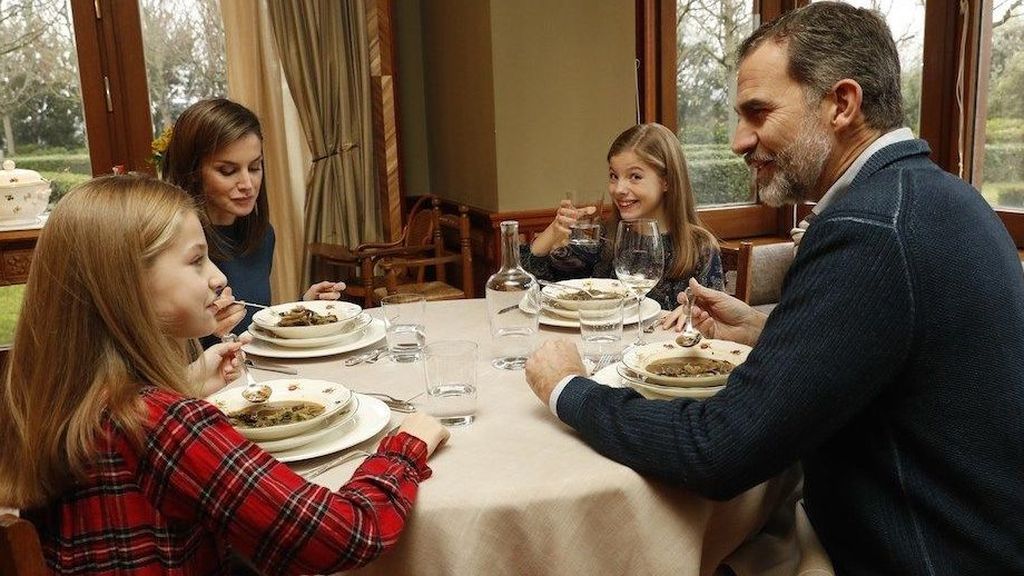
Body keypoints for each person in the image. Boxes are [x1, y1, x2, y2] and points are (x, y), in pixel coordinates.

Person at [523, 3, 1024, 573]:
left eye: (757, 112)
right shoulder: (943, 197)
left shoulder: (868, 230)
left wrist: (568, 388)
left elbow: (719, 451)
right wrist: (773, 331)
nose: (738, 140)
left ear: (842, 104)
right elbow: (904, 356)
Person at [0, 175, 450, 575]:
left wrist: (186, 384)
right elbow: (344, 535)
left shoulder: (55, 398)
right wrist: (405, 447)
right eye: (196, 261)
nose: (217, 278)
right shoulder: (163, 425)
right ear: (124, 285)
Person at [162, 98, 345, 334]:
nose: (248, 184)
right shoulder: (171, 243)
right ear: (193, 171)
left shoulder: (262, 236)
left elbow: (252, 324)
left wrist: (303, 308)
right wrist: (206, 330)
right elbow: (157, 349)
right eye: (227, 171)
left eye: (255, 167)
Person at [520, 123, 724, 320]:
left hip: (668, 352)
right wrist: (554, 230)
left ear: (667, 181)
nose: (618, 189)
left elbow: (713, 323)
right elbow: (532, 284)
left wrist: (695, 316)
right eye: (613, 176)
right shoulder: (602, 237)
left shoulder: (700, 247)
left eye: (635, 176)